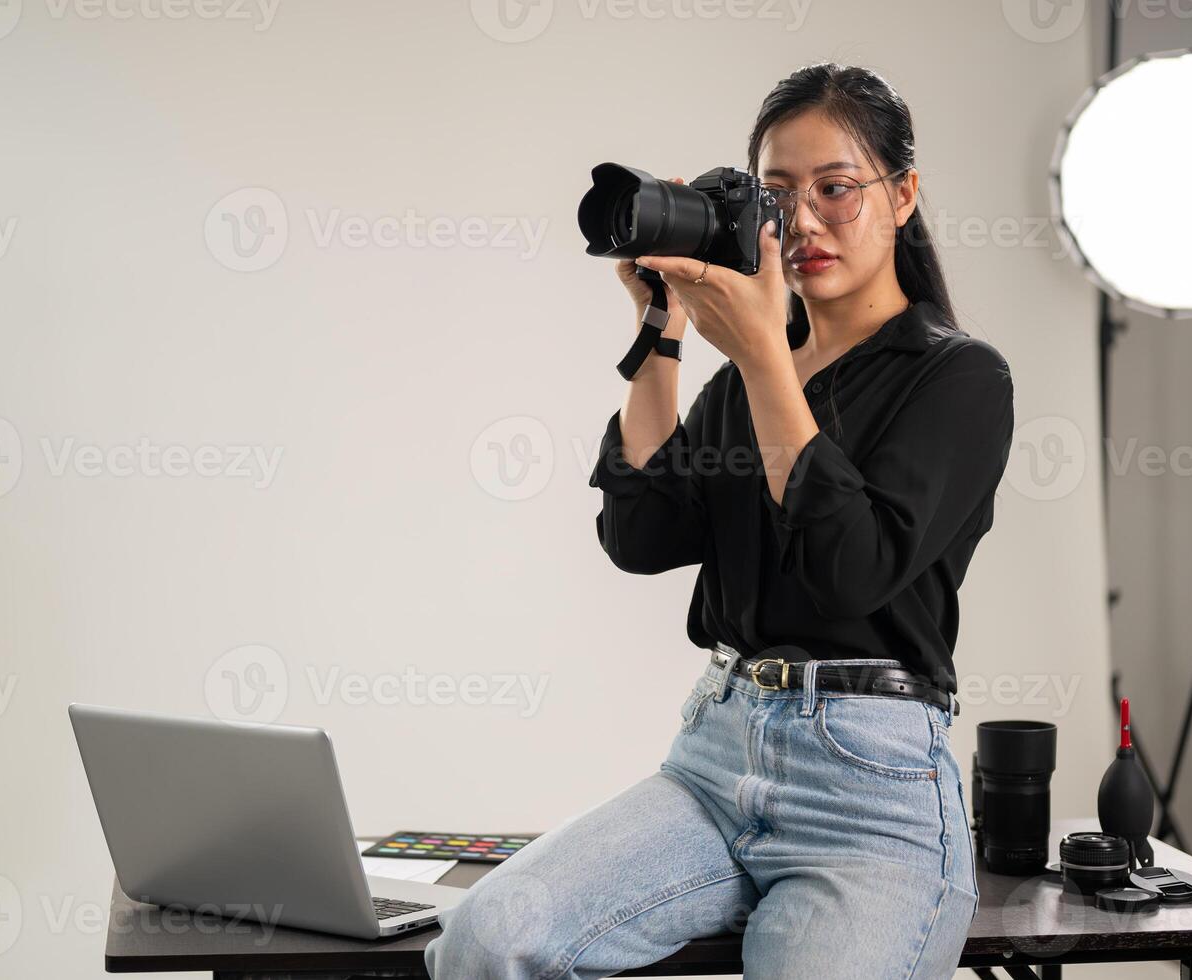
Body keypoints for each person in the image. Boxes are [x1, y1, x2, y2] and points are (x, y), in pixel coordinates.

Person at [423, 62, 1014, 979]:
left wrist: (761, 358)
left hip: (872, 791)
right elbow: (642, 539)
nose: (805, 222)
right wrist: (662, 335)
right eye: (777, 198)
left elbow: (849, 570)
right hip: (716, 754)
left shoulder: (958, 378)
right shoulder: (747, 376)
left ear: (900, 196)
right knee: (488, 941)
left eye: (835, 190)